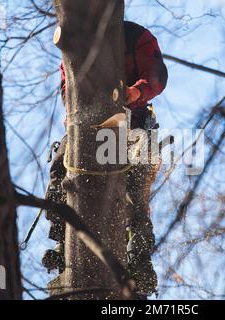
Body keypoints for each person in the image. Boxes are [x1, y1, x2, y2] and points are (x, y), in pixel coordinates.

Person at [42, 21, 168, 297]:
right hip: (86, 126)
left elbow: (157, 75)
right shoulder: (74, 44)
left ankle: (139, 258)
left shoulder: (136, 36)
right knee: (58, 169)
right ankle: (62, 240)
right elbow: (67, 86)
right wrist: (75, 110)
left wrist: (135, 91)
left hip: (135, 122)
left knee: (134, 187)